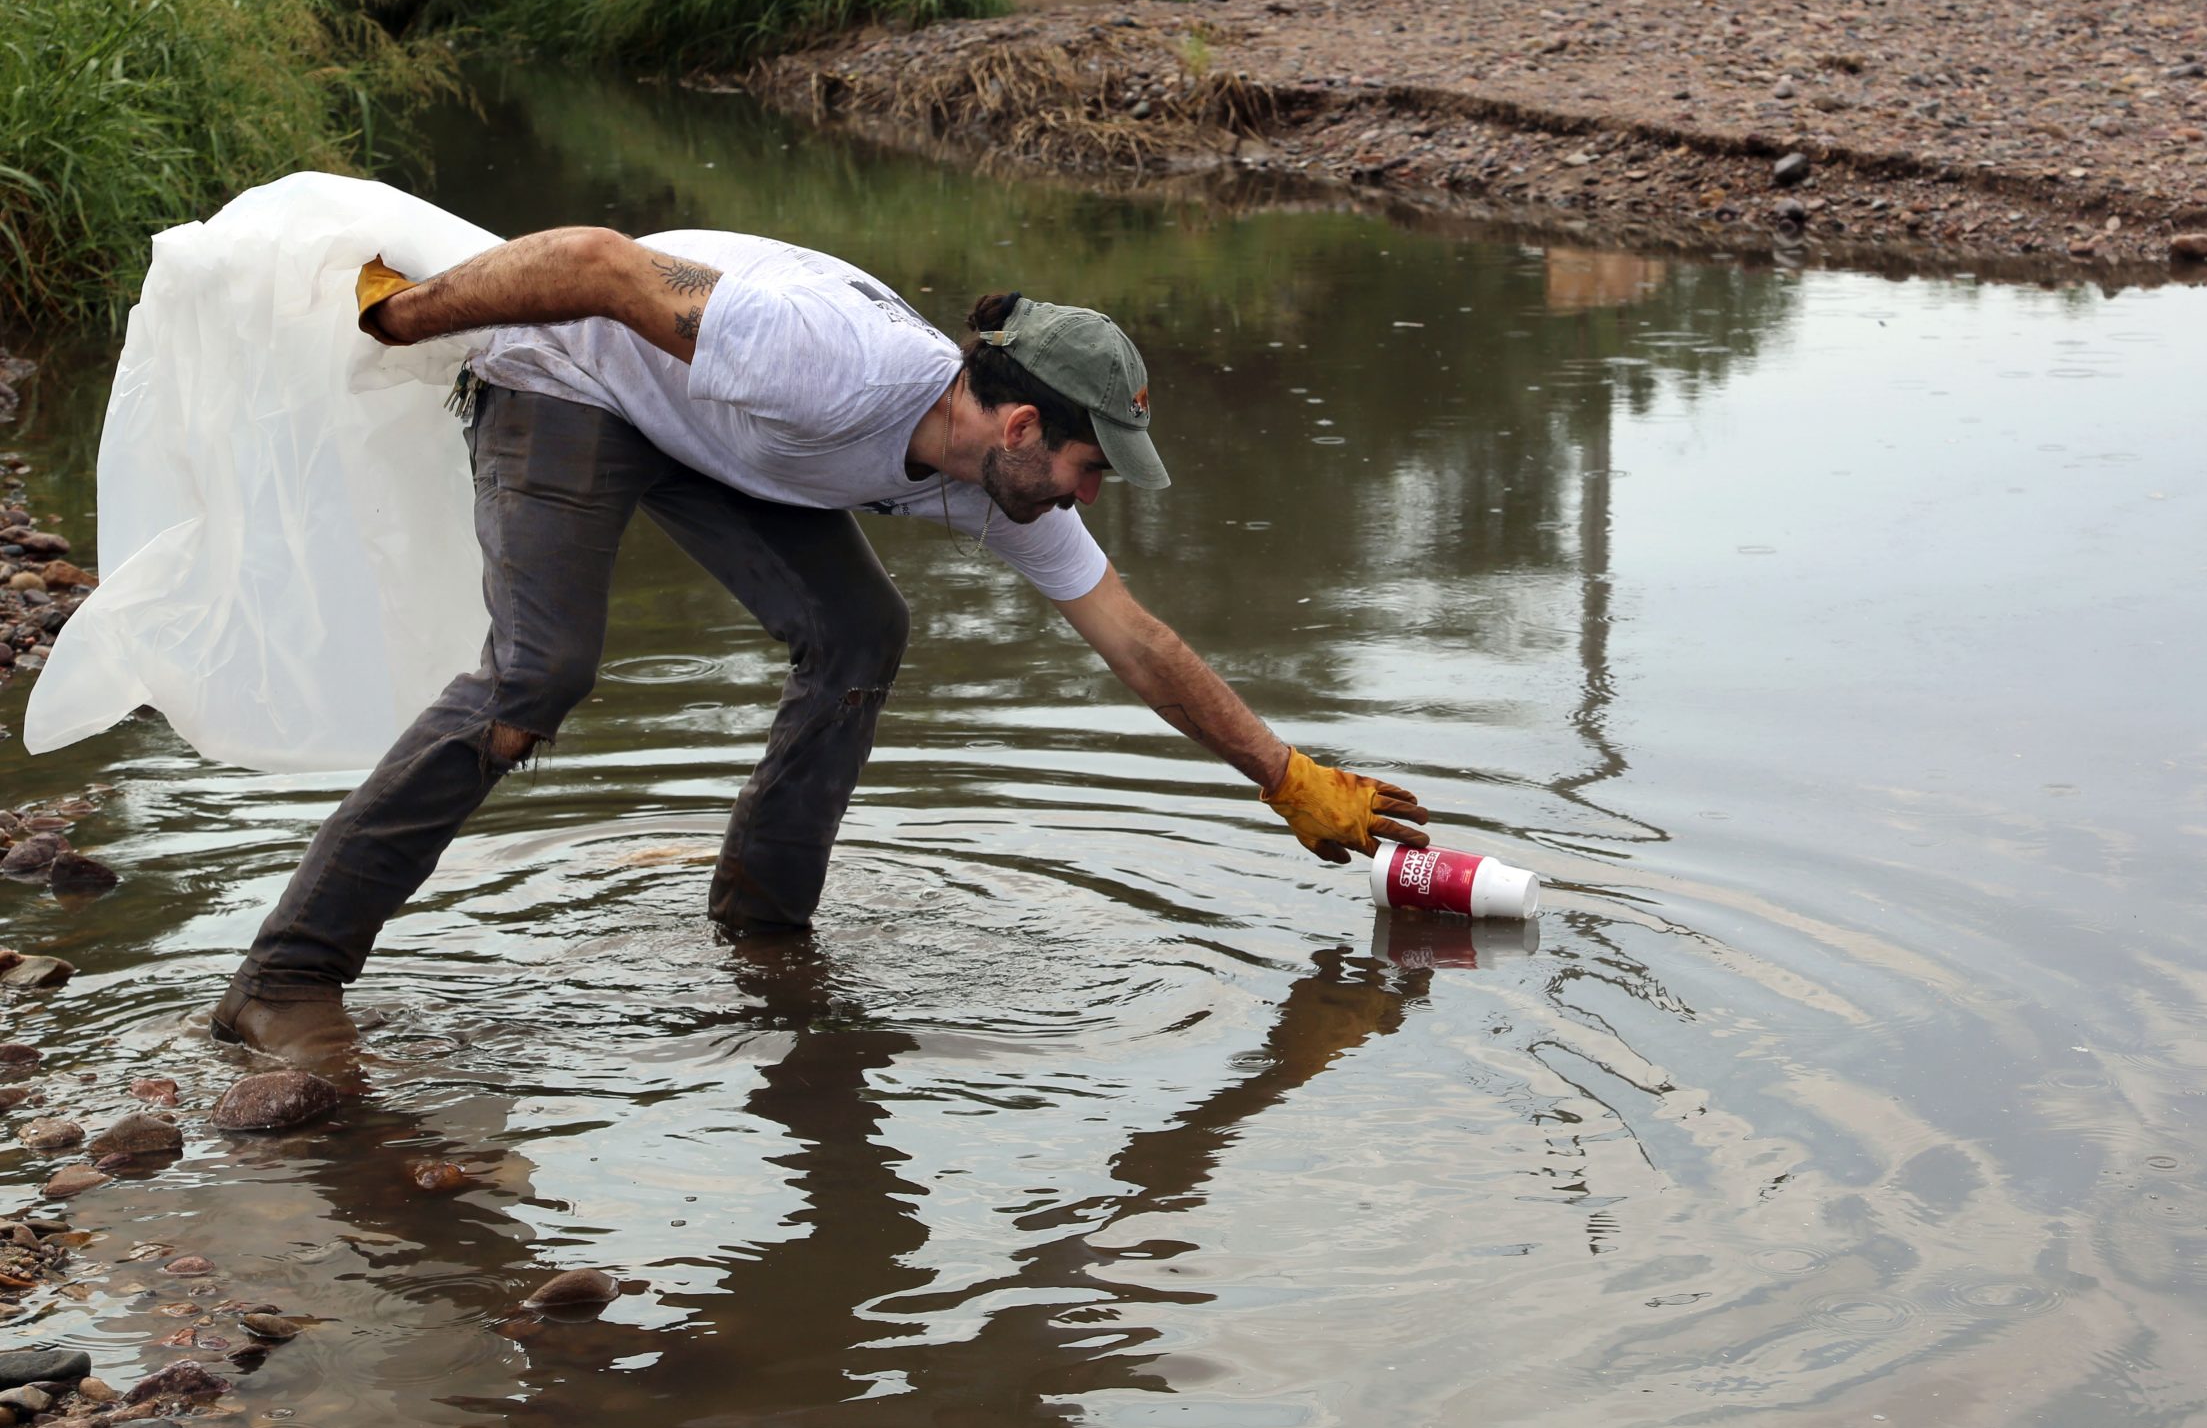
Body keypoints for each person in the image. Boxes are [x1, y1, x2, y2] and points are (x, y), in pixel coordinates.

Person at [208, 224, 1431, 1066]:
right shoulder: (837, 366)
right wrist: (400, 318)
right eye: (1085, 469)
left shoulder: (988, 483)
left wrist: (1286, 780)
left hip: (715, 442)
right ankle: (284, 979)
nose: (1087, 498)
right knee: (542, 672)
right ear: (1019, 424)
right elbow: (591, 263)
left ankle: (759, 926)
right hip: (571, 384)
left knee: (859, 629)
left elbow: (1134, 637)